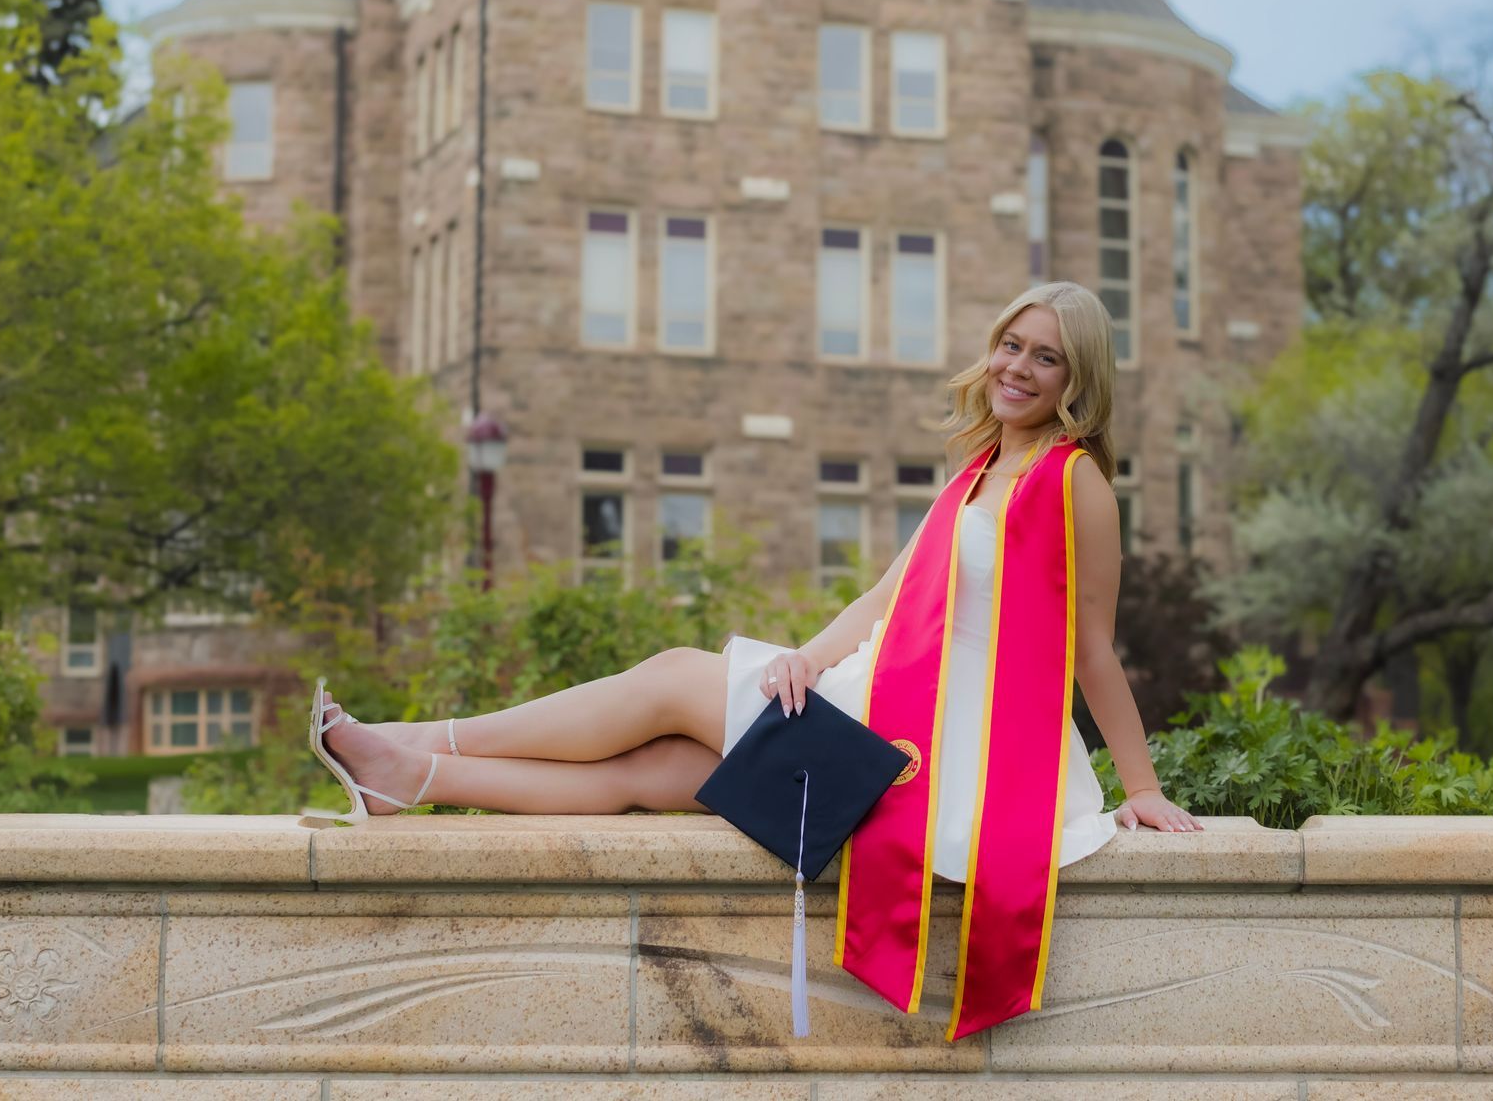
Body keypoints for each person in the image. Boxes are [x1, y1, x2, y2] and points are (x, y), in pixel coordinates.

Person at [310, 281, 1201, 849]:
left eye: (1046, 357)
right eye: (1013, 344)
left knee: (669, 681)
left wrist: (1143, 788)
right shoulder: (977, 472)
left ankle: (421, 740)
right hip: (883, 694)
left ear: (1077, 377)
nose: (1019, 367)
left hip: (938, 749)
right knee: (649, 773)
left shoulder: (1073, 481)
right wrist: (806, 660)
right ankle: (411, 780)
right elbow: (884, 598)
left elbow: (1091, 648)